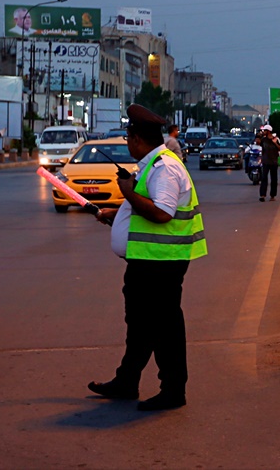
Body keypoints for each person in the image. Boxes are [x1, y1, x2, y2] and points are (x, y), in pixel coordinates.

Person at [88, 104, 206, 412]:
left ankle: (173, 390)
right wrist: (119, 214)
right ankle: (126, 381)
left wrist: (127, 193)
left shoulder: (164, 167)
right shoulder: (153, 164)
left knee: (164, 329)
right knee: (140, 326)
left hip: (161, 262)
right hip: (148, 259)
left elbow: (163, 212)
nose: (127, 142)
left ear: (137, 138)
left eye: (128, 136)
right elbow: (147, 206)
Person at [256, 125, 280, 201]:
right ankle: (262, 195)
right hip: (265, 162)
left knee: (274, 179)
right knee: (264, 178)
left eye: (265, 130)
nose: (263, 132)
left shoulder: (276, 139)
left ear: (269, 131)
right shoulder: (263, 140)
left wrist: (275, 143)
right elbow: (258, 143)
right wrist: (258, 137)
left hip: (274, 162)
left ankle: (273, 195)